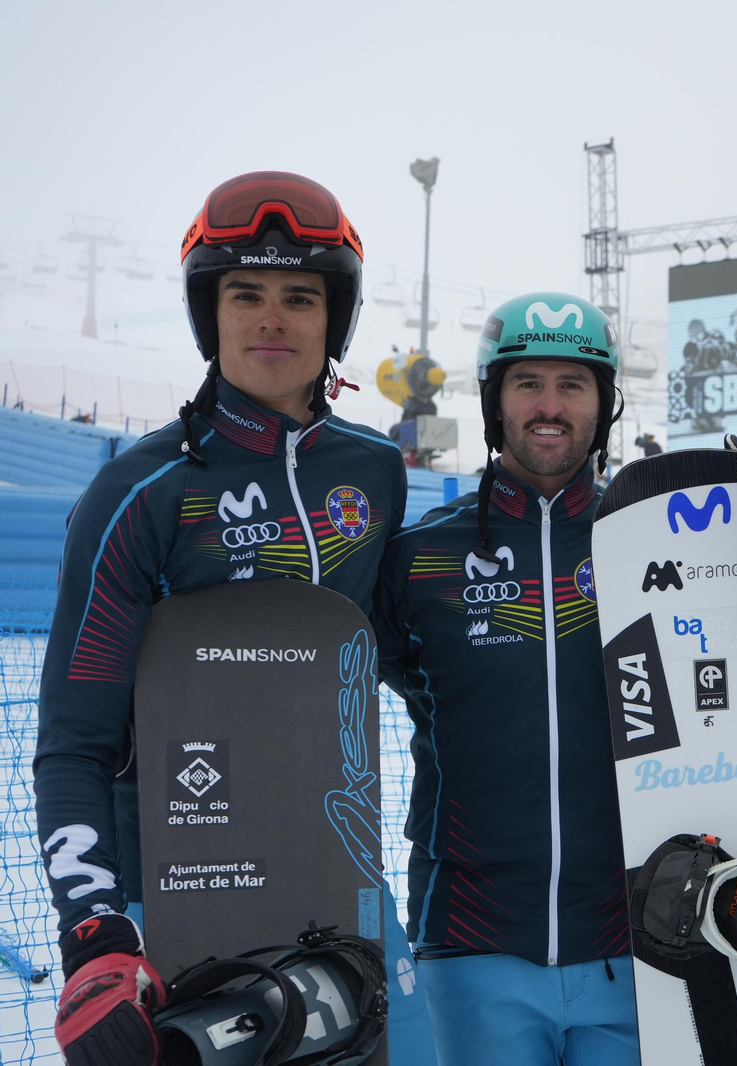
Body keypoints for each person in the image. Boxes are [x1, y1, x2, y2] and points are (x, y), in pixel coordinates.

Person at [35, 171, 429, 1064]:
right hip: (176, 894)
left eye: (300, 296)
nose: (271, 319)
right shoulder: (140, 490)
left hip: (343, 880)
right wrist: (96, 935)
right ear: (209, 313)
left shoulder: (373, 471)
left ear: (336, 319)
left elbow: (398, 651)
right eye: (244, 294)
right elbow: (72, 739)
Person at [373, 292, 638, 1066]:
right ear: (494, 400)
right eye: (528, 384)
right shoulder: (418, 558)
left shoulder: (657, 547)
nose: (549, 406)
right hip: (469, 947)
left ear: (604, 403)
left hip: (635, 948)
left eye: (573, 385)